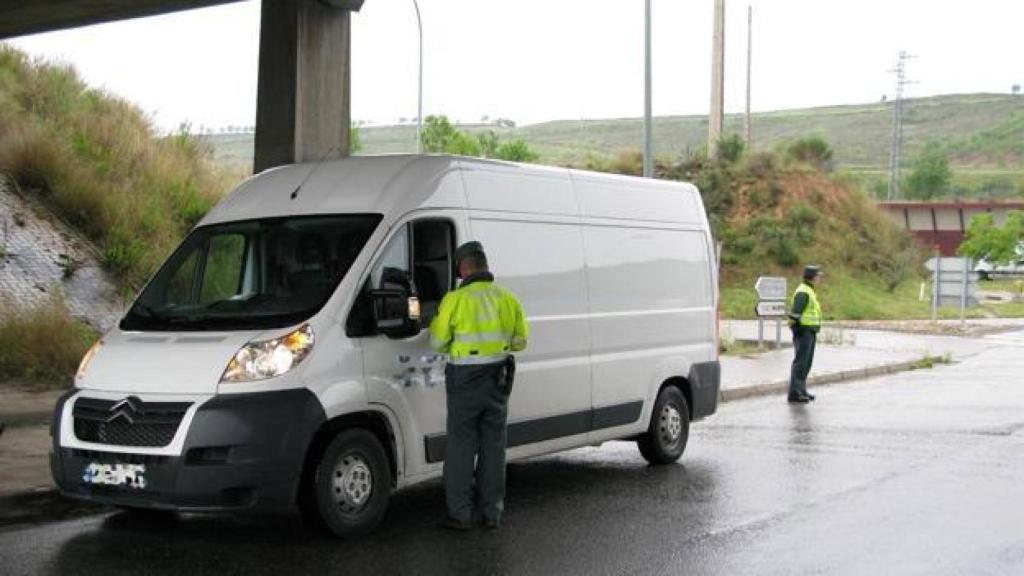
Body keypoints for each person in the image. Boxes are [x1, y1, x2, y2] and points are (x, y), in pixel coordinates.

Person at [429, 241, 529, 530]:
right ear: (484, 266)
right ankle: (492, 513)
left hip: (464, 380)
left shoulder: (455, 300)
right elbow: (521, 341)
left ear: (463, 268)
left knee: (461, 447)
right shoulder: (508, 299)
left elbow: (437, 342)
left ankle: (459, 514)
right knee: (494, 447)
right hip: (498, 379)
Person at [788, 265, 823, 404]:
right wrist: (797, 330)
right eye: (819, 276)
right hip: (804, 331)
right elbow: (795, 314)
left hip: (810, 331)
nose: (820, 278)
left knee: (806, 363)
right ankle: (795, 393)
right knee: (801, 363)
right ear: (813, 277)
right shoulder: (804, 291)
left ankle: (801, 390)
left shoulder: (809, 290)